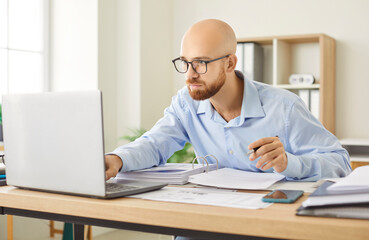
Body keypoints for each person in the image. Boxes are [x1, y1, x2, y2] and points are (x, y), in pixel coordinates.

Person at [105, 19, 351, 183]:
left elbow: (340, 164)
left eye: (200, 63)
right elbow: (154, 144)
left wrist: (290, 163)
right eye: (185, 62)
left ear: (230, 63)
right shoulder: (186, 103)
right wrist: (117, 159)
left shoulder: (284, 107)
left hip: (269, 222)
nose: (190, 74)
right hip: (213, 215)